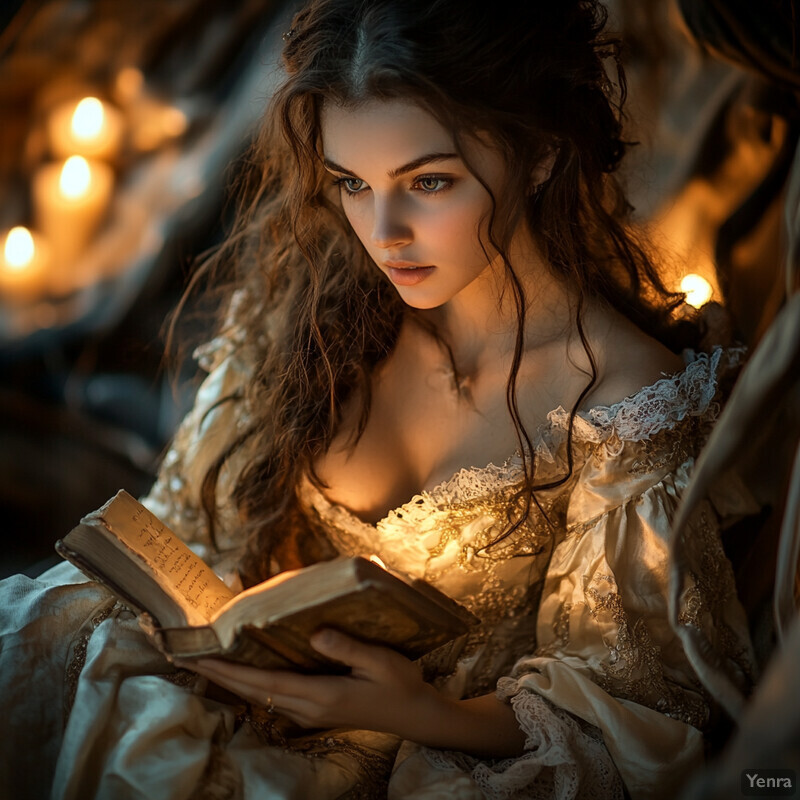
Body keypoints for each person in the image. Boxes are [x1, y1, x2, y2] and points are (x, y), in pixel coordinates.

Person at [0, 1, 756, 798]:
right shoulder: (303, 308)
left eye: (429, 182)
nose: (383, 231)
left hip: (421, 757)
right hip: (225, 697)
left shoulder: (624, 401)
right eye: (352, 183)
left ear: (540, 156)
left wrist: (423, 712)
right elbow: (190, 525)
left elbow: (635, 702)